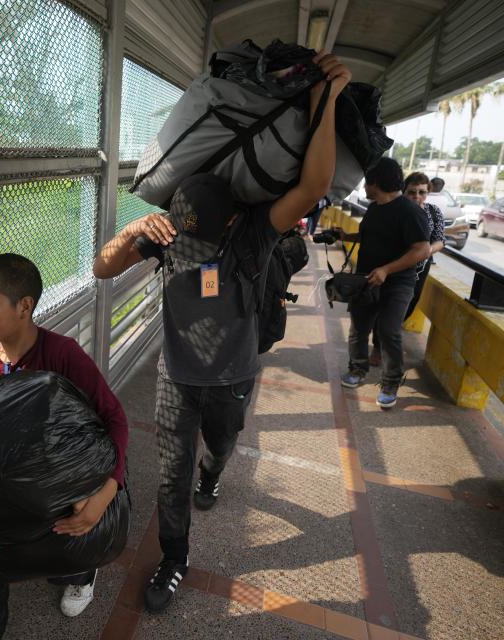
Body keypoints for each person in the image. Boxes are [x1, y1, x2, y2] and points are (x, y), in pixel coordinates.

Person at [92, 52, 351, 613]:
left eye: (201, 246)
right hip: (175, 376)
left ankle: (214, 472)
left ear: (232, 224)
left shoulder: (255, 232)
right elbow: (102, 268)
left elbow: (314, 186)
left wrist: (326, 100)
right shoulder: (169, 233)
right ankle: (174, 557)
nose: (190, 252)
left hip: (234, 375)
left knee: (223, 445)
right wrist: (134, 228)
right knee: (169, 474)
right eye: (185, 242)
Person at [0, 253, 129, 639]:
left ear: (24, 307)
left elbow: (115, 419)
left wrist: (106, 492)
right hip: (0, 492)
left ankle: (81, 573)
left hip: (53, 487)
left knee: (68, 546)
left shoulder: (61, 356)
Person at [335, 158, 429, 408]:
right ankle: (357, 369)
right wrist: (346, 236)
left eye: (367, 180)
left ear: (375, 183)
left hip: (398, 283)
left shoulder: (409, 211)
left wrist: (387, 269)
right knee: (358, 328)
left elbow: (422, 249)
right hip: (367, 280)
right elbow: (371, 236)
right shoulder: (375, 207)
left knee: (389, 331)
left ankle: (390, 381)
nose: (364, 186)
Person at [369, 173, 445, 365]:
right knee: (386, 307)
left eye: (422, 192)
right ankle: (379, 346)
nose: (417, 196)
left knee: (408, 307)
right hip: (394, 268)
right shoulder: (396, 210)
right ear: (404, 190)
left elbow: (440, 240)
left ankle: (386, 339)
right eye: (412, 192)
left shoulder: (433, 212)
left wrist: (425, 251)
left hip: (419, 269)